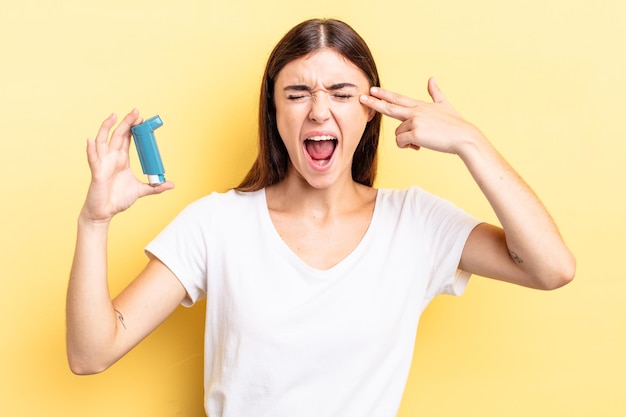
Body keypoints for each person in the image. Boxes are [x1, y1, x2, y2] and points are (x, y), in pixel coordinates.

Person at [66, 18, 575, 416]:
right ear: (274, 110)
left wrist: (470, 141)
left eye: (341, 93)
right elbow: (91, 354)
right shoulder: (217, 225)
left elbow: (551, 268)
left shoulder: (416, 224)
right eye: (297, 93)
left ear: (371, 109)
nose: (318, 111)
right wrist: (95, 222)